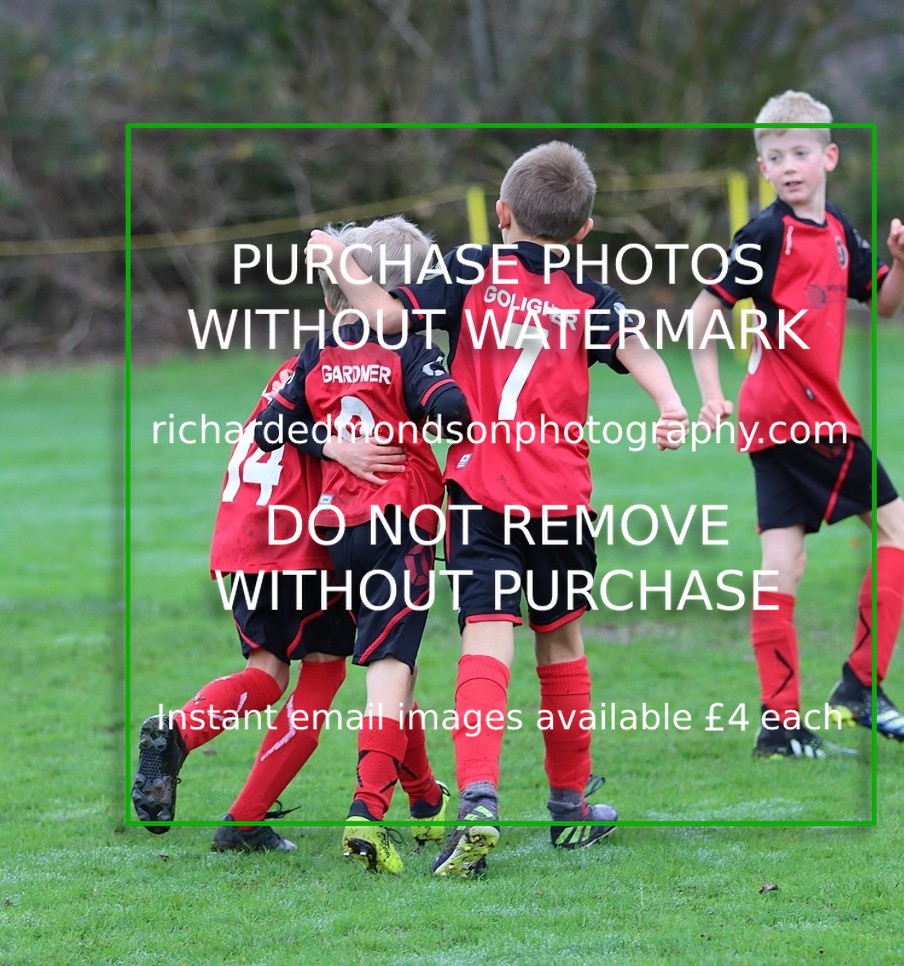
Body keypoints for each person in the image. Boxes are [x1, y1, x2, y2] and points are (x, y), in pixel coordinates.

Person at [306, 140, 689, 876]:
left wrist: (341, 262)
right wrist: (670, 402)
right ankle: (570, 808)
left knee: (487, 639)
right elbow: (636, 347)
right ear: (584, 230)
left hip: (480, 495)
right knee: (562, 642)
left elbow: (385, 316)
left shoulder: (470, 270)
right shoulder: (590, 295)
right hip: (562, 500)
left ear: (502, 213)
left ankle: (478, 799)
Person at [132, 218, 452, 859]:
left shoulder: (297, 368)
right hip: (302, 543)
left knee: (272, 672)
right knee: (348, 673)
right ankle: (248, 818)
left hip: (241, 541)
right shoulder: (362, 369)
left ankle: (180, 731)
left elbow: (270, 432)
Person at [686, 90, 904, 759]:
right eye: (775, 157)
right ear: (762, 168)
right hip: (803, 415)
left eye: (800, 152)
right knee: (901, 528)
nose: (788, 166)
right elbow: (702, 316)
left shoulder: (840, 232)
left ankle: (780, 726)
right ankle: (860, 685)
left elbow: (883, 303)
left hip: (777, 420)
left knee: (783, 563)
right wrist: (710, 393)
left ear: (830, 156)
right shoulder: (766, 235)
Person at [254, 219, 472, 874]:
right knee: (390, 671)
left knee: (390, 665)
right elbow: (453, 411)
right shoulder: (406, 347)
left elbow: (271, 426)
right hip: (400, 527)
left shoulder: (318, 351)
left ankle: (426, 799)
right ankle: (366, 813)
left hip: (340, 534)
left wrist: (330, 443)